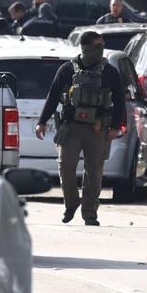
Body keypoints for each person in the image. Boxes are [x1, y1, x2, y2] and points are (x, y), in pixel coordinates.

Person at [35, 30, 124, 226]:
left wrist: (116, 127)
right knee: (65, 168)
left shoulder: (110, 72)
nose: (101, 50)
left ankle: (90, 213)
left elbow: (119, 102)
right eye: (97, 46)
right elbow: (52, 97)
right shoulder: (67, 70)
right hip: (71, 128)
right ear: (86, 48)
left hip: (98, 129)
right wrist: (41, 121)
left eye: (102, 45)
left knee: (94, 172)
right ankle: (71, 203)